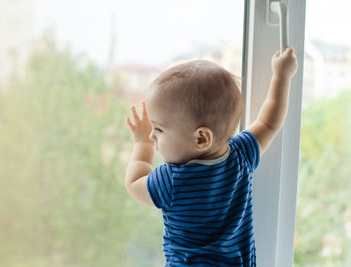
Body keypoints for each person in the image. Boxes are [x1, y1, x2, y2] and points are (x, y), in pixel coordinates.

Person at [124, 47, 298, 266]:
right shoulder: (241, 155)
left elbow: (134, 183)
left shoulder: (173, 180)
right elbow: (269, 123)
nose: (152, 135)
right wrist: (282, 76)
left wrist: (142, 144)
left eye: (158, 129)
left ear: (201, 139)